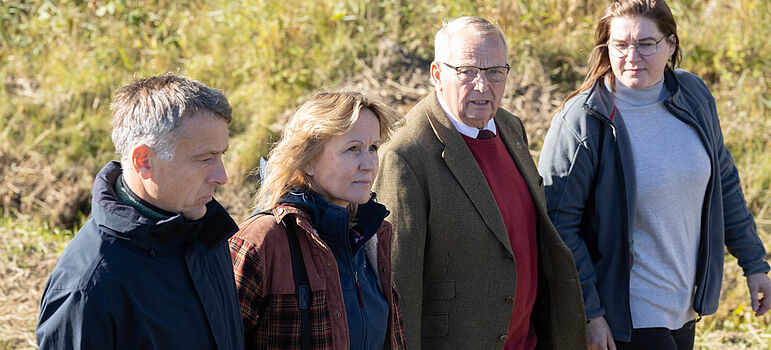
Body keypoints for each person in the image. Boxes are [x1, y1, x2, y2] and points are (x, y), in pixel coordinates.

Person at [537, 1, 771, 349]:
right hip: (625, 320)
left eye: (646, 44)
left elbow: (724, 183)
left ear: (671, 44)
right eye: (620, 45)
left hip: (683, 310)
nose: (632, 56)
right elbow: (557, 226)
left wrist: (754, 263)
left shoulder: (693, 97)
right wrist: (590, 312)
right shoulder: (584, 120)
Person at [372, 16, 586, 349]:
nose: (482, 86)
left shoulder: (510, 127)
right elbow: (399, 285)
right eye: (467, 71)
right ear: (437, 74)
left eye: (494, 72)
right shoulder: (406, 154)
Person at [36, 74, 244, 349]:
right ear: (143, 160)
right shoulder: (86, 289)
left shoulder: (207, 232)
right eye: (205, 159)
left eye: (221, 155)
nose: (222, 176)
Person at [229, 91, 406, 350]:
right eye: (353, 149)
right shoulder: (262, 241)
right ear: (308, 160)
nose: (369, 163)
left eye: (373, 148)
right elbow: (217, 338)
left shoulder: (372, 237)